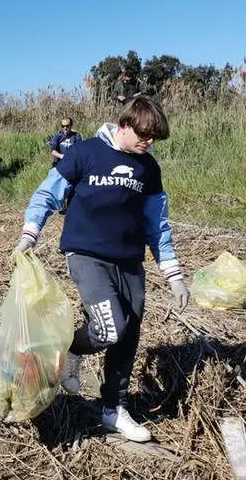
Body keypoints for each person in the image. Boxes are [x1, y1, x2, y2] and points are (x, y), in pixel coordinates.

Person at [16, 96, 189, 442]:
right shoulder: (86, 153)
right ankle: (70, 350)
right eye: (144, 135)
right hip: (86, 253)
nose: (149, 143)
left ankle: (114, 409)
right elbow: (46, 194)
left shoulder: (148, 168)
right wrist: (29, 233)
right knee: (110, 327)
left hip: (129, 260)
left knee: (129, 333)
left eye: (154, 138)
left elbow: (158, 224)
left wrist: (174, 274)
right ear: (124, 125)